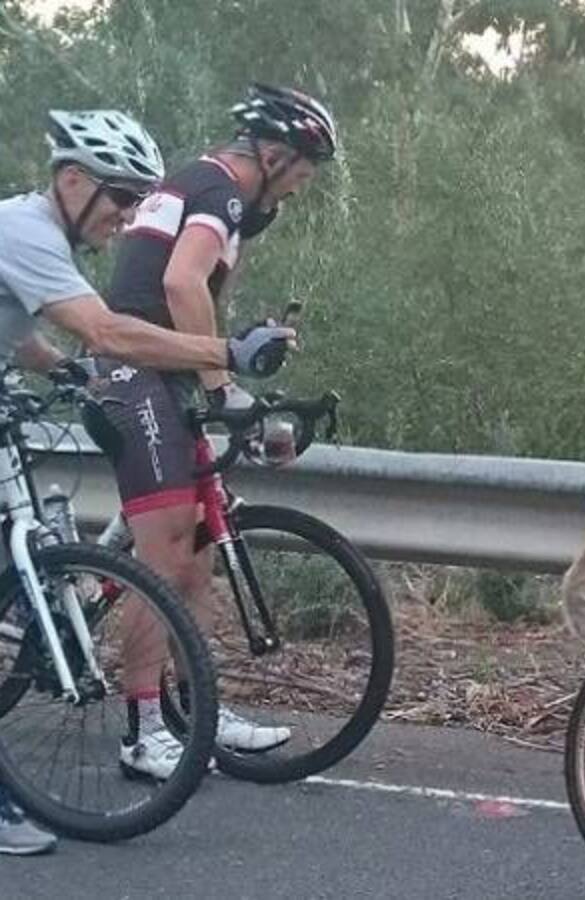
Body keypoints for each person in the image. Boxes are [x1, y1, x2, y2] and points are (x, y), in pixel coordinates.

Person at [0, 109, 293, 854]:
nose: (131, 216)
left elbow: (21, 331)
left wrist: (60, 367)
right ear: (71, 180)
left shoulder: (36, 237)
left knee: (20, 554)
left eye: (137, 201)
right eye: (121, 198)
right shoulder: (28, 228)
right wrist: (221, 350)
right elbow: (108, 331)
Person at [91, 84, 338, 780]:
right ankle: (143, 730)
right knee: (164, 560)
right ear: (273, 153)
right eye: (299, 175)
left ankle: (196, 711)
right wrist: (221, 387)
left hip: (161, 370)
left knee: (198, 556)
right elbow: (180, 284)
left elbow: (200, 306)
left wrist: (228, 377)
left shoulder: (204, 184)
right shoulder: (224, 190)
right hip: (136, 370)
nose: (296, 192)